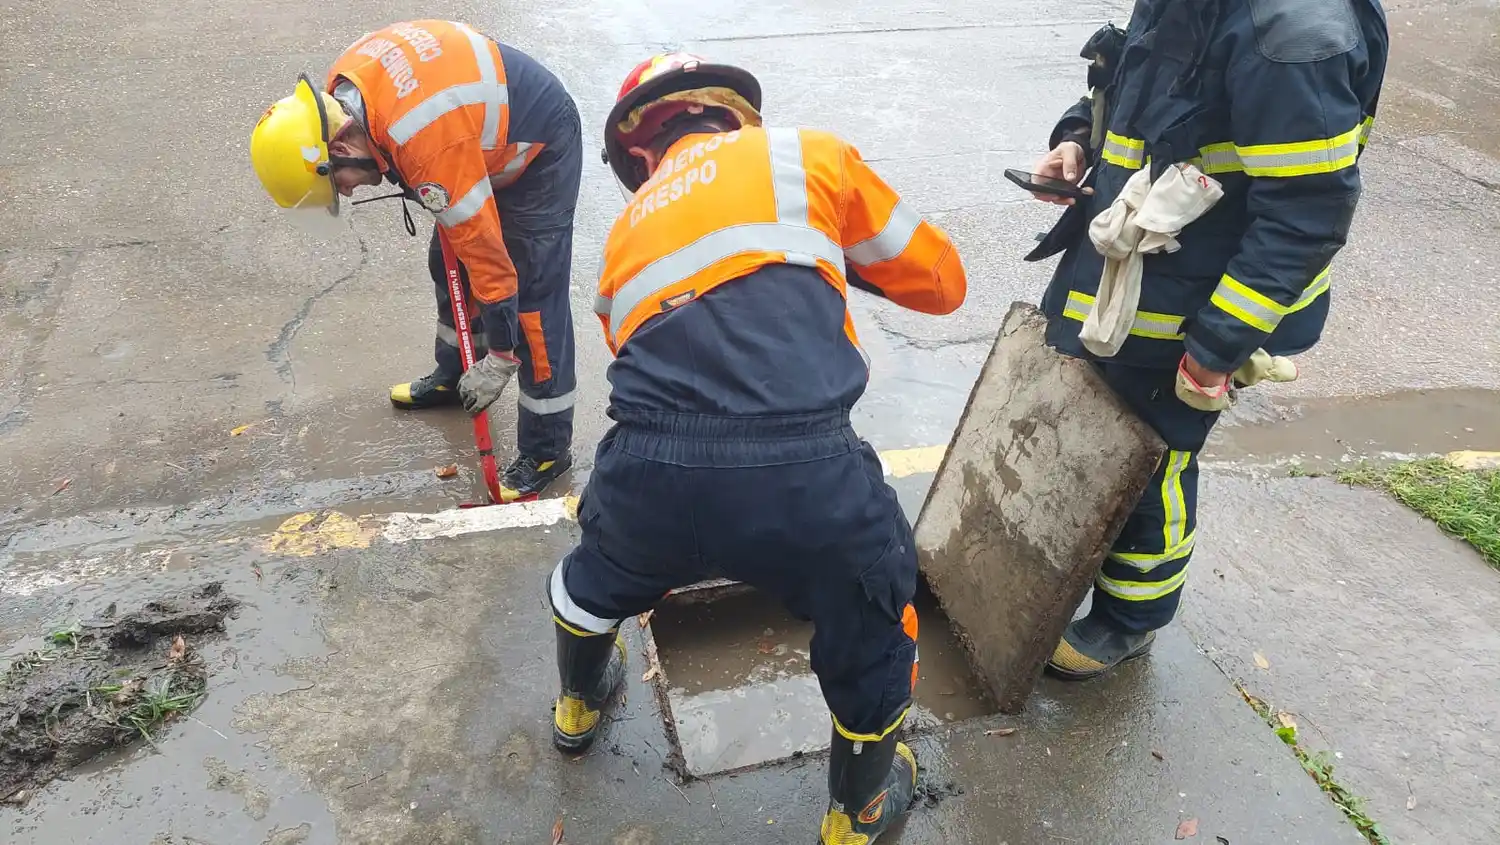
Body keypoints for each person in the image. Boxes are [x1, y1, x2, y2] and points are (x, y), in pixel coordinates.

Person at [543, 52, 967, 843]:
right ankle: (858, 814)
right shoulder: (807, 157)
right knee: (877, 608)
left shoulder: (626, 233)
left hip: (649, 471)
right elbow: (943, 284)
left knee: (592, 575)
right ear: (738, 115)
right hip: (807, 474)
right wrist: (835, 253)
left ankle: (576, 703)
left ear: (640, 155)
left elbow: (641, 357)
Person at [1024, 0, 1389, 679]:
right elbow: (1135, 84)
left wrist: (1217, 342)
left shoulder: (1298, 36)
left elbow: (1306, 218)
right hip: (1125, 271)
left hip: (1195, 306)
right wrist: (1078, 139)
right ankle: (1071, 564)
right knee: (1086, 423)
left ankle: (1128, 619)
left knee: (1151, 457)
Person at [248, 20, 581, 502]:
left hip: (536, 144)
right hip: (465, 136)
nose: (346, 191)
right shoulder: (342, 93)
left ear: (338, 148)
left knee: (530, 297)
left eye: (337, 183)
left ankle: (547, 449)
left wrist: (503, 355)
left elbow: (488, 257)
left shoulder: (422, 139)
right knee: (444, 265)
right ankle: (455, 374)